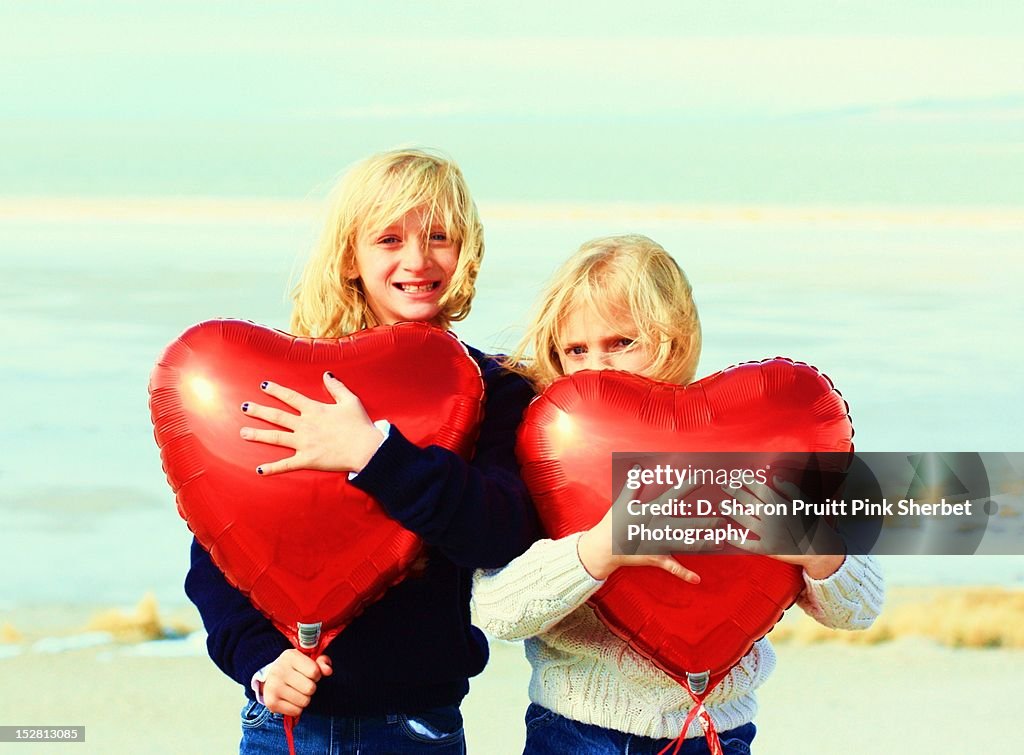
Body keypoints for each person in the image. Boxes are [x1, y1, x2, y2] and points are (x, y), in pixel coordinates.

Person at [185, 147, 540, 754]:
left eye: (440, 237)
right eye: (388, 239)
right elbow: (219, 553)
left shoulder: (494, 389)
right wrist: (260, 662)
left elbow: (501, 534)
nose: (418, 260)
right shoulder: (287, 380)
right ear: (351, 256)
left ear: (468, 250)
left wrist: (376, 455)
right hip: (283, 723)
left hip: (416, 725)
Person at [472, 234, 884, 755]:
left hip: (717, 736)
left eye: (621, 343)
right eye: (575, 350)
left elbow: (861, 609)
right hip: (577, 734)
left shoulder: (749, 444)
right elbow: (495, 610)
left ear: (675, 338)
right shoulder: (546, 451)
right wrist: (598, 549)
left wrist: (813, 547)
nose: (597, 366)